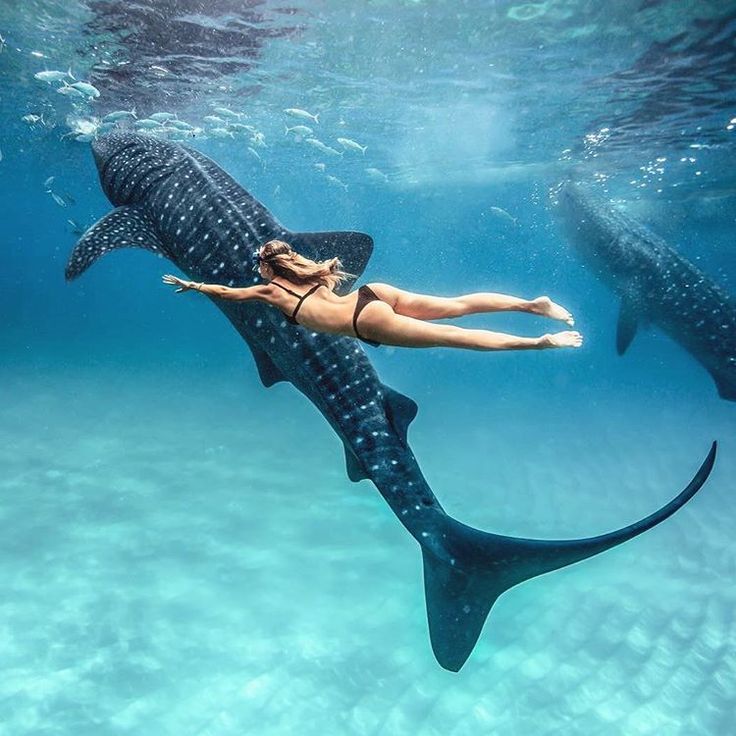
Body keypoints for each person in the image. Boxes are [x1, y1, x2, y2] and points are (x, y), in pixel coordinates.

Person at [162, 239, 583, 350]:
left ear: (269, 269)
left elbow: (228, 294)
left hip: (365, 322)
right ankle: (532, 305)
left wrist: (193, 285)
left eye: (260, 264)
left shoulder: (272, 291)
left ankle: (538, 342)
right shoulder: (314, 275)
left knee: (455, 338)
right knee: (457, 307)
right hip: (371, 295)